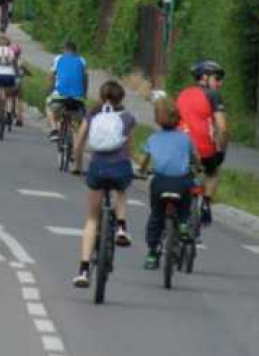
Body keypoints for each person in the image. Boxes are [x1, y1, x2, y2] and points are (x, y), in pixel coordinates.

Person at [71, 81, 138, 287]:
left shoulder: (93, 115)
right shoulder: (127, 118)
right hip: (119, 167)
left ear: (101, 97)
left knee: (92, 218)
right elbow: (129, 148)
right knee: (122, 191)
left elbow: (80, 140)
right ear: (122, 99)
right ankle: (121, 227)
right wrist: (129, 167)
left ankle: (83, 270)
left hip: (98, 167)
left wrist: (78, 164)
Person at [138, 97, 200, 270]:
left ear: (157, 119)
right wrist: (198, 166)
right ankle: (183, 224)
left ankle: (152, 254)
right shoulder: (185, 139)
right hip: (181, 182)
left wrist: (141, 171)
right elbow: (195, 159)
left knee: (156, 216)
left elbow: (144, 160)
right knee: (185, 204)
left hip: (160, 183)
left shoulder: (153, 138)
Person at [176, 59, 228, 225]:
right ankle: (206, 203)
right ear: (204, 77)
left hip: (180, 147)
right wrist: (221, 150)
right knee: (212, 172)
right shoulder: (213, 95)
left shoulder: (182, 93)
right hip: (204, 149)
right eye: (217, 78)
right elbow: (222, 127)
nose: (220, 83)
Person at [46, 41, 88, 139]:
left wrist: (50, 89)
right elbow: (85, 79)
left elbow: (51, 76)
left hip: (60, 95)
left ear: (64, 50)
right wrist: (84, 93)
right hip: (78, 96)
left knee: (49, 106)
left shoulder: (58, 58)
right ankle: (77, 137)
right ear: (75, 50)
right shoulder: (82, 60)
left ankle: (54, 130)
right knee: (79, 118)